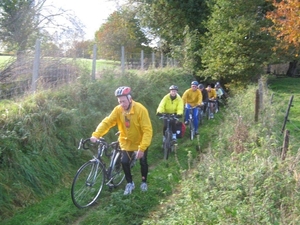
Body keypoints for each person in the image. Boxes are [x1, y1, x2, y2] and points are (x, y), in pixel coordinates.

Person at [90, 86, 153, 195]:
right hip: (126, 142)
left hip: (139, 141)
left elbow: (147, 130)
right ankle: (130, 183)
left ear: (130, 99)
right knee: (124, 162)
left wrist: (142, 148)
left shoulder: (140, 109)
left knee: (143, 162)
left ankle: (144, 181)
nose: (122, 104)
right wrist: (96, 134)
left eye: (124, 101)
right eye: (120, 102)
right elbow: (107, 122)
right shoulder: (118, 110)